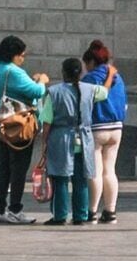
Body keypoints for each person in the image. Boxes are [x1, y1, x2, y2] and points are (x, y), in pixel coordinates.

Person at [0, 35, 50, 225]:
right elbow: (36, 92)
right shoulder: (14, 72)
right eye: (21, 55)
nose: (23, 59)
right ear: (14, 55)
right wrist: (41, 80)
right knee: (19, 169)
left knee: (4, 168)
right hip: (19, 127)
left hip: (1, 125)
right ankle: (15, 208)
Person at [40, 54, 97, 226]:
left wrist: (44, 142)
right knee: (81, 179)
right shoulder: (91, 89)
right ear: (80, 72)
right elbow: (105, 92)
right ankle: (80, 215)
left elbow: (47, 121)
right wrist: (109, 74)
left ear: (64, 72)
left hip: (61, 139)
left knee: (60, 178)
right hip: (84, 140)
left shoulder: (54, 92)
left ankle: (60, 216)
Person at [84, 41, 127, 224]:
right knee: (110, 170)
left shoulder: (89, 79)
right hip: (116, 127)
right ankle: (110, 211)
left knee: (95, 171)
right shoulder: (119, 78)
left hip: (96, 127)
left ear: (91, 62)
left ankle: (91, 211)